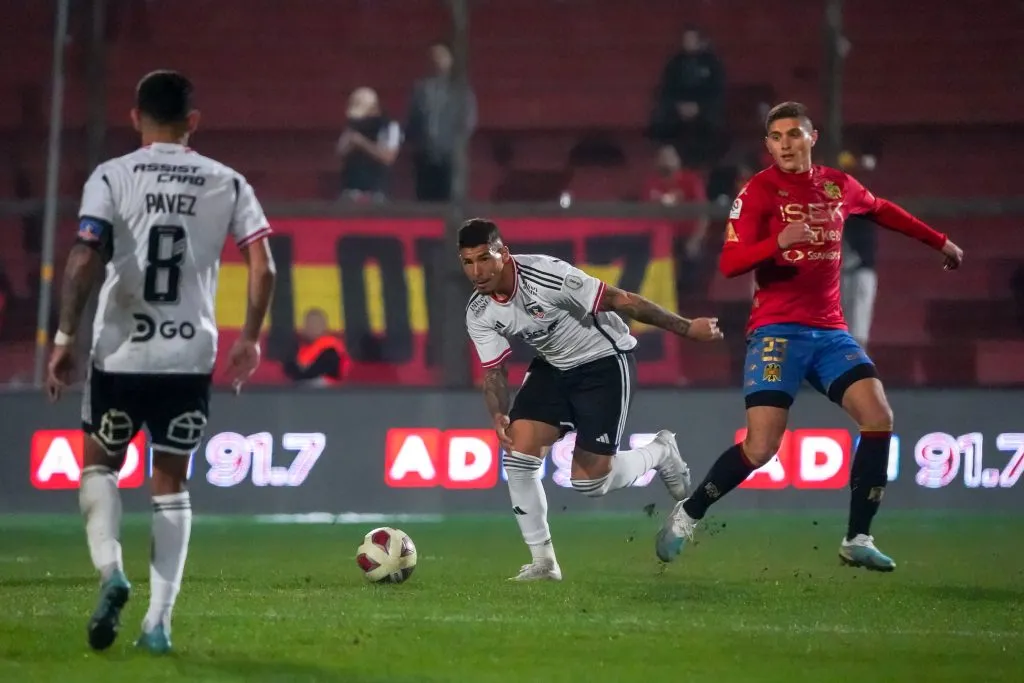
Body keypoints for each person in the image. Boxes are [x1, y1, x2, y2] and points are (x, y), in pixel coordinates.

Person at [654, 102, 963, 571]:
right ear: (768, 144)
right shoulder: (758, 191)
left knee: (878, 416)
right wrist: (777, 242)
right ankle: (689, 513)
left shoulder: (839, 185)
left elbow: (882, 210)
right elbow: (731, 264)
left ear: (812, 137)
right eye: (776, 137)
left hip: (830, 332)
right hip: (776, 331)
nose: (786, 144)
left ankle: (857, 536)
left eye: (794, 134)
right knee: (761, 448)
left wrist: (939, 241)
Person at [45, 70, 276, 653]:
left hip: (119, 352)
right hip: (188, 352)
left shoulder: (112, 175)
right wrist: (248, 338)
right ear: (192, 122)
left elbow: (82, 258)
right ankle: (159, 621)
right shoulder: (227, 181)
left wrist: (65, 335)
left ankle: (111, 571)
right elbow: (263, 265)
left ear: (134, 118)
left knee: (98, 465)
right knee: (170, 481)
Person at [459, 218, 723, 581]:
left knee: (590, 484)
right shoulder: (478, 311)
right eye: (468, 262)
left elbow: (621, 299)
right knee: (517, 455)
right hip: (553, 367)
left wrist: (685, 327)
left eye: (483, 259)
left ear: (503, 253)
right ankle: (544, 563)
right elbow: (494, 372)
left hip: (604, 363)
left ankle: (661, 452)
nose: (477, 271)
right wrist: (499, 414)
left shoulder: (546, 275)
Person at [406, 41, 477, 201]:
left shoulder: (461, 88)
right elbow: (413, 119)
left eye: (441, 56)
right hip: (425, 156)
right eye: (434, 56)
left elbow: (469, 121)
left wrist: (453, 143)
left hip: (451, 155)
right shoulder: (421, 89)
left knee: (451, 200)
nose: (437, 60)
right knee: (425, 202)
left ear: (450, 59)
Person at [336, 86, 402, 202]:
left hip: (377, 191)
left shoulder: (390, 127)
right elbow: (340, 152)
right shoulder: (353, 126)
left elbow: (388, 157)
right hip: (352, 190)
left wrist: (362, 143)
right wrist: (351, 140)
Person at [283, 308, 350, 385]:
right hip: (302, 387)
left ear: (325, 327)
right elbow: (289, 368)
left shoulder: (331, 350)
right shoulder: (299, 347)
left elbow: (320, 371)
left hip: (328, 392)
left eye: (316, 324)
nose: (312, 327)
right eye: (308, 324)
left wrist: (301, 373)